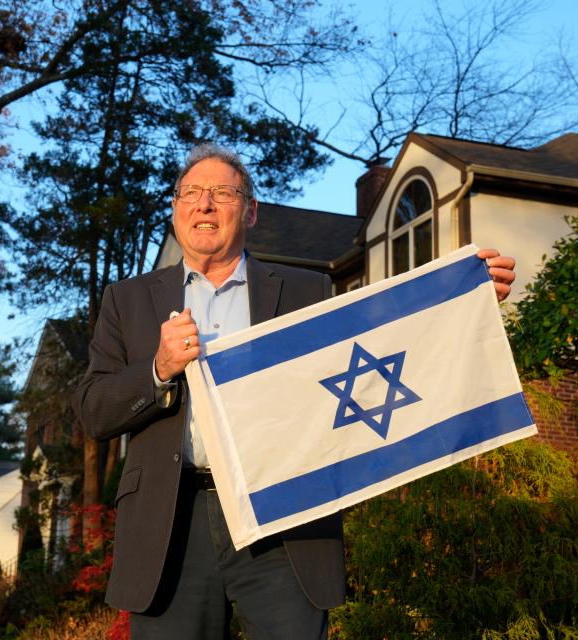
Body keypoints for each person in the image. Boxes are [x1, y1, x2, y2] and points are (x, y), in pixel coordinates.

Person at [74, 144, 516, 639]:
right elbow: (93, 411)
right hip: (171, 526)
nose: (204, 204)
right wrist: (158, 368)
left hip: (285, 523)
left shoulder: (309, 290)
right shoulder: (127, 300)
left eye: (222, 192)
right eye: (191, 193)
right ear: (176, 209)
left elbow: (379, 353)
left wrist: (463, 302)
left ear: (251, 210)